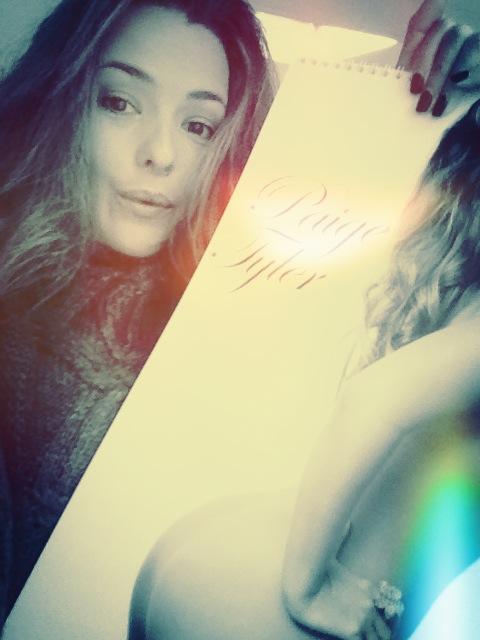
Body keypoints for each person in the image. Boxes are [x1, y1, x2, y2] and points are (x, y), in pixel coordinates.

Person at [127, 14, 480, 640]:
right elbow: (375, 397)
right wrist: (309, 590)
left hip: (237, 549)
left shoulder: (463, 296)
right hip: (301, 606)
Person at [0, 0, 276, 624]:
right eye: (119, 102)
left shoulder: (232, 322)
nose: (161, 154)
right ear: (61, 101)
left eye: (199, 126)